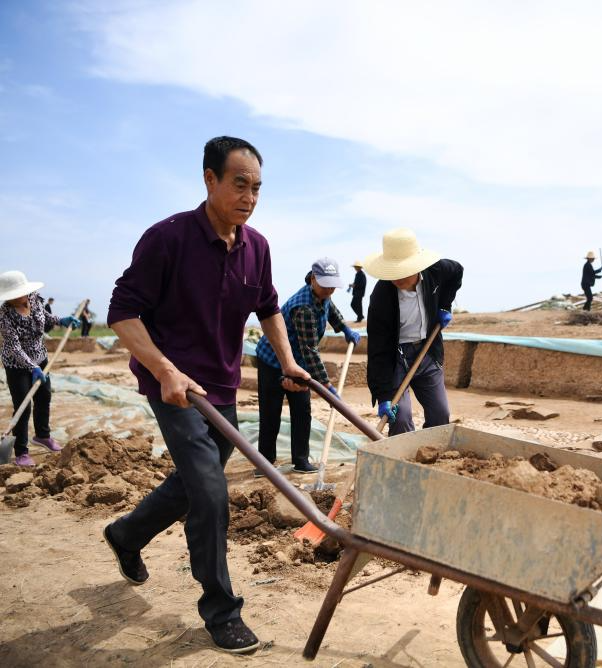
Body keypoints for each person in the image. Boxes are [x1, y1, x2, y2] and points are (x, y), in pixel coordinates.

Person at [103, 137, 310, 654]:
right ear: (210, 179)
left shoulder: (256, 247)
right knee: (211, 491)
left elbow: (268, 307)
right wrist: (165, 370)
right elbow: (122, 312)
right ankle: (221, 611)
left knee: (197, 480)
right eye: (239, 184)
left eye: (257, 188)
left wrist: (288, 361)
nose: (249, 197)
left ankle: (127, 535)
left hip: (220, 385)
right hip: (173, 386)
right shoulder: (167, 238)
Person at [255, 258, 360, 475]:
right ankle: (264, 463)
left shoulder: (323, 295)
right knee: (271, 411)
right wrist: (326, 386)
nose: (329, 290)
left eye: (332, 285)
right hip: (272, 360)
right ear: (313, 279)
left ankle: (301, 461)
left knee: (302, 409)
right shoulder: (303, 308)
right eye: (325, 285)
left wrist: (345, 329)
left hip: (299, 361)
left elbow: (332, 311)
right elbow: (310, 350)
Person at [365, 228, 463, 436]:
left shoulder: (436, 271)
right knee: (400, 418)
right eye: (392, 272)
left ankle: (432, 451)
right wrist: (384, 395)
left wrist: (445, 306)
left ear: (416, 266)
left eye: (402, 271)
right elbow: (377, 349)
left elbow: (457, 272)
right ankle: (400, 454)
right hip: (396, 358)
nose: (396, 278)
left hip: (427, 350)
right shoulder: (381, 296)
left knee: (440, 414)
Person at [0, 270, 80, 467]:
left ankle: (42, 436)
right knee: (23, 405)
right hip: (17, 364)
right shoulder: (4, 315)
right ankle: (21, 451)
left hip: (40, 357)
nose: (19, 297)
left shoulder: (34, 299)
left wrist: (61, 320)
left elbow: (44, 317)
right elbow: (14, 347)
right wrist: (32, 367)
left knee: (44, 397)